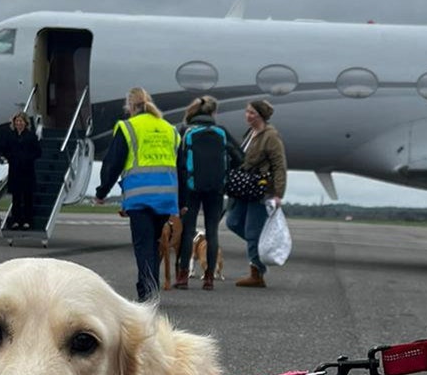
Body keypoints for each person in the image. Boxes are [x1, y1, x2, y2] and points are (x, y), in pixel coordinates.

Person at [94, 87, 180, 302]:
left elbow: (113, 162)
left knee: (143, 246)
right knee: (152, 244)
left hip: (140, 198)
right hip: (166, 198)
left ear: (130, 107)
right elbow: (182, 168)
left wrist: (102, 191)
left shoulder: (128, 127)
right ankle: (151, 288)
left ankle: (148, 294)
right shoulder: (170, 129)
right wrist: (183, 201)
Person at [175, 96, 242, 290]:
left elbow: (178, 161)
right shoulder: (221, 132)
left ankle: (182, 277)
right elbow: (240, 158)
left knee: (188, 232)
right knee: (212, 232)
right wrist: (226, 171)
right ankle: (209, 279)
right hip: (215, 189)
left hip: (190, 187)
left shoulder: (185, 131)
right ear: (213, 113)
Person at [226, 99, 286, 289]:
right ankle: (262, 246)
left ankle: (257, 273)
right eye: (247, 112)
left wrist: (278, 193)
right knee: (233, 222)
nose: (247, 115)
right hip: (244, 187)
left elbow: (279, 165)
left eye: (251, 112)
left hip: (260, 189)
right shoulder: (250, 133)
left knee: (252, 231)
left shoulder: (270, 137)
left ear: (261, 115)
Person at [2, 111, 41, 230]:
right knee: (16, 198)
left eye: (21, 121)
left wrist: (27, 158)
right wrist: (11, 157)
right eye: (17, 121)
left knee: (28, 197)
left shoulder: (31, 136)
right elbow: (5, 149)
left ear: (25, 123)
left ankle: (27, 221)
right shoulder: (10, 135)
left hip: (27, 170)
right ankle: (16, 220)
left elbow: (38, 152)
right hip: (15, 170)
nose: (19, 123)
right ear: (14, 122)